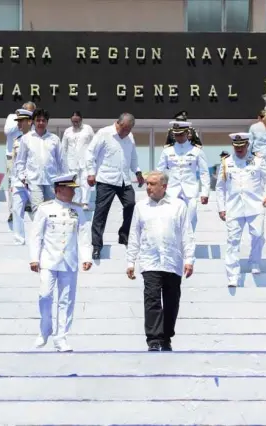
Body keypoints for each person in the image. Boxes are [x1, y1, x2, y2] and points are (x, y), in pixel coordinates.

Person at [126, 171, 195, 351]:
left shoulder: (178, 205)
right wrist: (130, 261)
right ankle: (154, 339)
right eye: (147, 183)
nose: (148, 187)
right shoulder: (141, 207)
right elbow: (134, 234)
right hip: (150, 261)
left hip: (173, 261)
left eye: (152, 183)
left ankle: (166, 337)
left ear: (164, 186)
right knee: (152, 299)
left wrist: (189, 258)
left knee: (172, 301)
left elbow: (187, 233)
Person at [29, 172, 92, 352]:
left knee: (66, 300)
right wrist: (34, 258)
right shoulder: (45, 209)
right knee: (45, 295)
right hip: (49, 259)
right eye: (70, 189)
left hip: (69, 260)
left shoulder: (77, 210)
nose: (73, 192)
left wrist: (86, 257)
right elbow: (36, 235)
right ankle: (45, 328)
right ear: (59, 189)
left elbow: (84, 235)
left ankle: (61, 337)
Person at [216, 133, 266, 287]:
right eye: (236, 146)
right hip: (233, 207)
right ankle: (233, 275)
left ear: (247, 145)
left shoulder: (258, 160)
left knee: (258, 235)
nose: (239, 149)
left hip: (255, 205)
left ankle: (254, 261)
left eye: (242, 146)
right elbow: (220, 188)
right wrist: (221, 208)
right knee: (233, 241)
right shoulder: (226, 162)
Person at [86, 112, 145, 260]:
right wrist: (91, 172)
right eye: (124, 129)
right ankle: (96, 246)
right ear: (117, 123)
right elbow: (90, 153)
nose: (125, 132)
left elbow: (133, 157)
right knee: (101, 213)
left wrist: (137, 171)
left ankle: (123, 236)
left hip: (124, 179)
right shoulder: (104, 133)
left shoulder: (130, 137)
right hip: (106, 179)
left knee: (131, 204)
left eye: (128, 130)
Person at [156, 120, 209, 231]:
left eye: (181, 134)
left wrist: (205, 192)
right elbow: (159, 171)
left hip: (190, 190)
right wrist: (157, 189)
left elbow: (204, 173)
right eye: (176, 134)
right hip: (172, 190)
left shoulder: (196, 151)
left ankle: (188, 244)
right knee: (171, 219)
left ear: (187, 133)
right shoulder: (167, 151)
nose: (178, 137)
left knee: (190, 219)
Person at [16, 108, 65, 216]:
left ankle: (49, 233)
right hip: (34, 180)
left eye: (43, 120)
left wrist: (64, 181)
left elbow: (61, 161)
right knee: (38, 212)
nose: (41, 123)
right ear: (33, 121)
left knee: (52, 213)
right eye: (38, 120)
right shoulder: (26, 138)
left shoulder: (54, 139)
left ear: (47, 122)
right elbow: (20, 161)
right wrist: (22, 177)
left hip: (51, 181)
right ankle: (37, 233)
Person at [4, 102, 36, 221]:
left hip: (28, 156)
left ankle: (28, 205)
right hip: (12, 154)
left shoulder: (32, 121)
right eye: (27, 111)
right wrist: (19, 124)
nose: (30, 113)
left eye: (31, 111)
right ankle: (12, 211)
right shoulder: (12, 117)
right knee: (12, 183)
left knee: (29, 180)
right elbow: (7, 131)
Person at [10, 109, 34, 244]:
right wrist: (12, 181)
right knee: (16, 210)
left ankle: (39, 239)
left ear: (29, 122)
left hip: (31, 180)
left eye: (21, 121)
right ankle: (19, 239)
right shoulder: (17, 139)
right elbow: (15, 163)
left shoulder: (35, 139)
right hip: (18, 181)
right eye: (18, 121)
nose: (19, 124)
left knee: (38, 211)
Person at [61, 111, 95, 209]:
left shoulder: (88, 129)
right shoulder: (67, 131)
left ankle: (85, 202)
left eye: (77, 121)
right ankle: (75, 203)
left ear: (81, 119)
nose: (75, 123)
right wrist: (63, 163)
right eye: (73, 121)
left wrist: (94, 159)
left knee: (85, 181)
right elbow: (63, 148)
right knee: (75, 182)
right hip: (72, 161)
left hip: (86, 160)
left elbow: (94, 144)